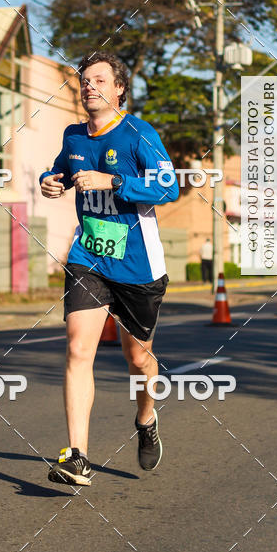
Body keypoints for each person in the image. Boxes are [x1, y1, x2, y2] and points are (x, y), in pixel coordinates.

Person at [39, 51, 179, 486]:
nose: (89, 86)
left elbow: (169, 186)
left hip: (138, 265)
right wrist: (49, 181)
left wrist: (115, 181)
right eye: (85, 80)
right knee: (78, 349)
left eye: (99, 80)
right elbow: (61, 171)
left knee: (138, 359)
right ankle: (77, 456)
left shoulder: (139, 133)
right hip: (89, 257)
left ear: (119, 89)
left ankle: (146, 418)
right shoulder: (74, 136)